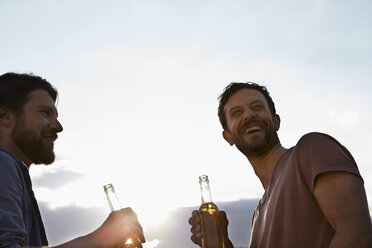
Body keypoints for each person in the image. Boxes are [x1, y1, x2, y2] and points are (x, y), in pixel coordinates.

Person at [189, 82, 372, 248]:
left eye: (257, 107)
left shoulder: (312, 149)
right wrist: (223, 242)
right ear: (228, 136)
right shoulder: (257, 217)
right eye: (237, 113)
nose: (249, 115)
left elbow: (357, 234)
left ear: (276, 121)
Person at [0, 72, 145, 248]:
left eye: (56, 116)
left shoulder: (14, 171)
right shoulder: (3, 163)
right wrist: (100, 239)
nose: (58, 127)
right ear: (5, 115)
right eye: (45, 113)